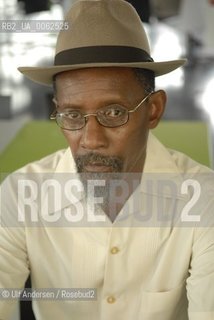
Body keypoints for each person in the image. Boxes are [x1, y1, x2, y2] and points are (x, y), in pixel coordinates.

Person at [0, 0, 214, 319]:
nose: (91, 140)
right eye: (72, 115)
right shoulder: (20, 194)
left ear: (153, 109)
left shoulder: (201, 199)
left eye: (113, 112)